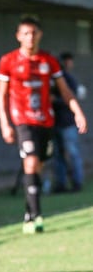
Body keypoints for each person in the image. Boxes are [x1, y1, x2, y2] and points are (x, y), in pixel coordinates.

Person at [0, 17, 87, 234]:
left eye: (34, 33)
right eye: (25, 33)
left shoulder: (49, 61)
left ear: (40, 34)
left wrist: (78, 112)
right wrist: (4, 123)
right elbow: (2, 95)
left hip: (46, 120)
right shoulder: (8, 61)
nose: (30, 37)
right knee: (30, 162)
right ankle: (34, 218)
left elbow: (64, 91)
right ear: (18, 36)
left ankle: (30, 210)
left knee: (38, 166)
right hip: (23, 120)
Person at [51, 52, 85, 193]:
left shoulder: (68, 79)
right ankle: (61, 184)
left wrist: (55, 101)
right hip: (54, 123)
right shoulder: (51, 79)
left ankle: (77, 183)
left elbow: (72, 98)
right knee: (57, 155)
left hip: (68, 123)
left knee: (72, 153)